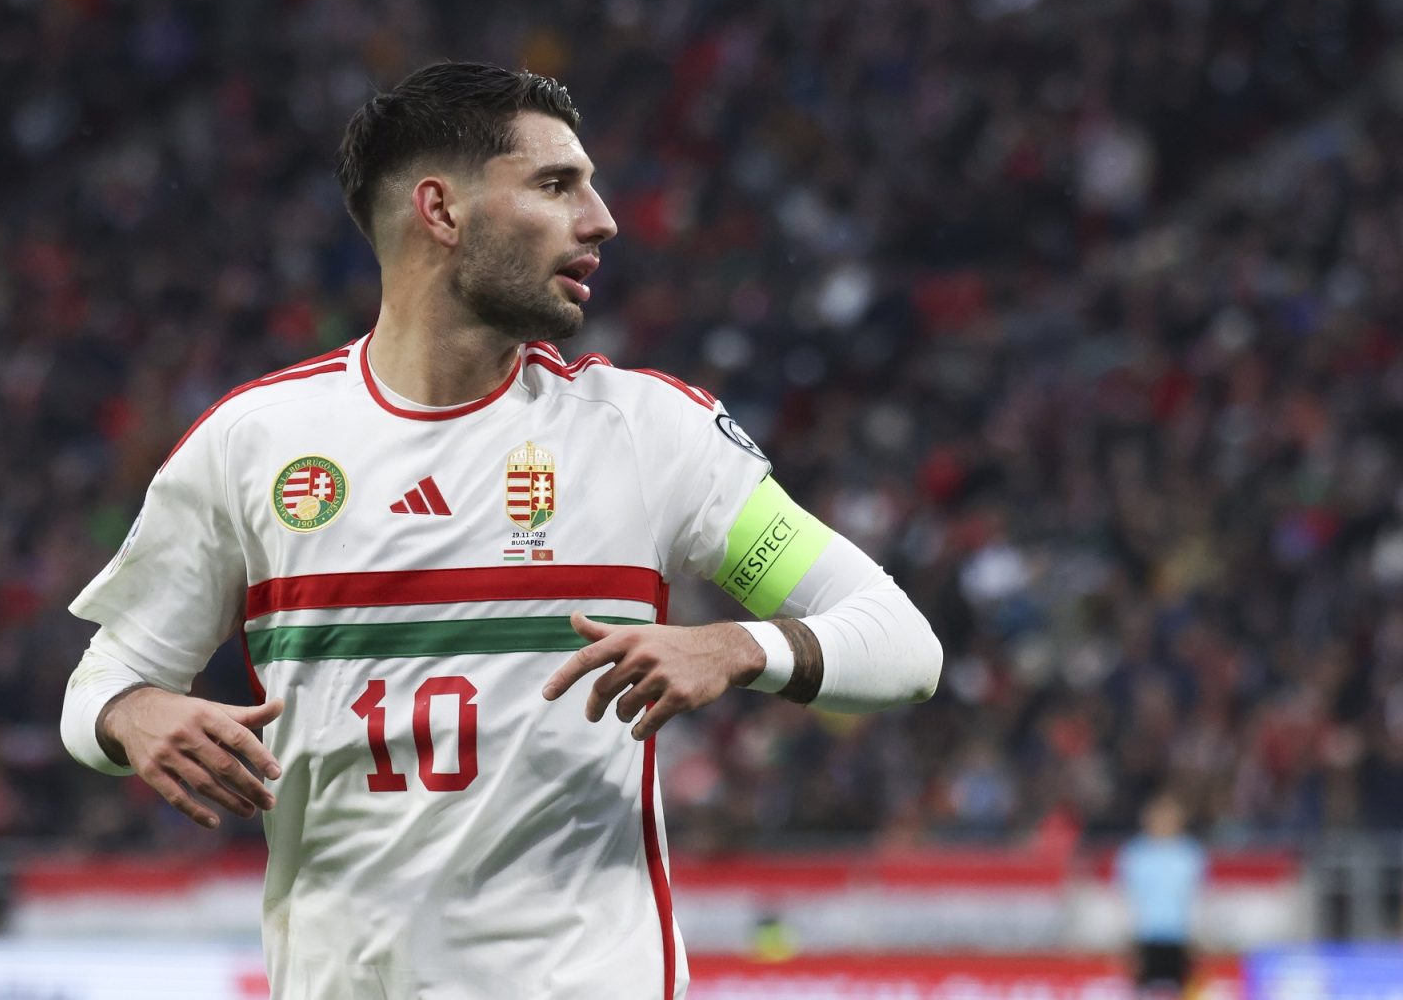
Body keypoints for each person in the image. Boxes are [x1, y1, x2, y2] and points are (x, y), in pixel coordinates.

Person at [59, 61, 943, 1000]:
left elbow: (903, 643)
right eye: (557, 184)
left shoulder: (646, 433)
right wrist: (133, 715)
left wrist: (736, 646)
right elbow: (102, 682)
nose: (602, 219)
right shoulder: (255, 443)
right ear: (440, 210)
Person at [1115, 793, 1206, 999]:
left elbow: (1197, 898)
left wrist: (1198, 935)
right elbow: (1126, 899)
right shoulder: (1134, 854)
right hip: (1145, 937)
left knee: (1182, 991)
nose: (1164, 822)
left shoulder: (1190, 854)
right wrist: (1127, 939)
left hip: (1180, 937)